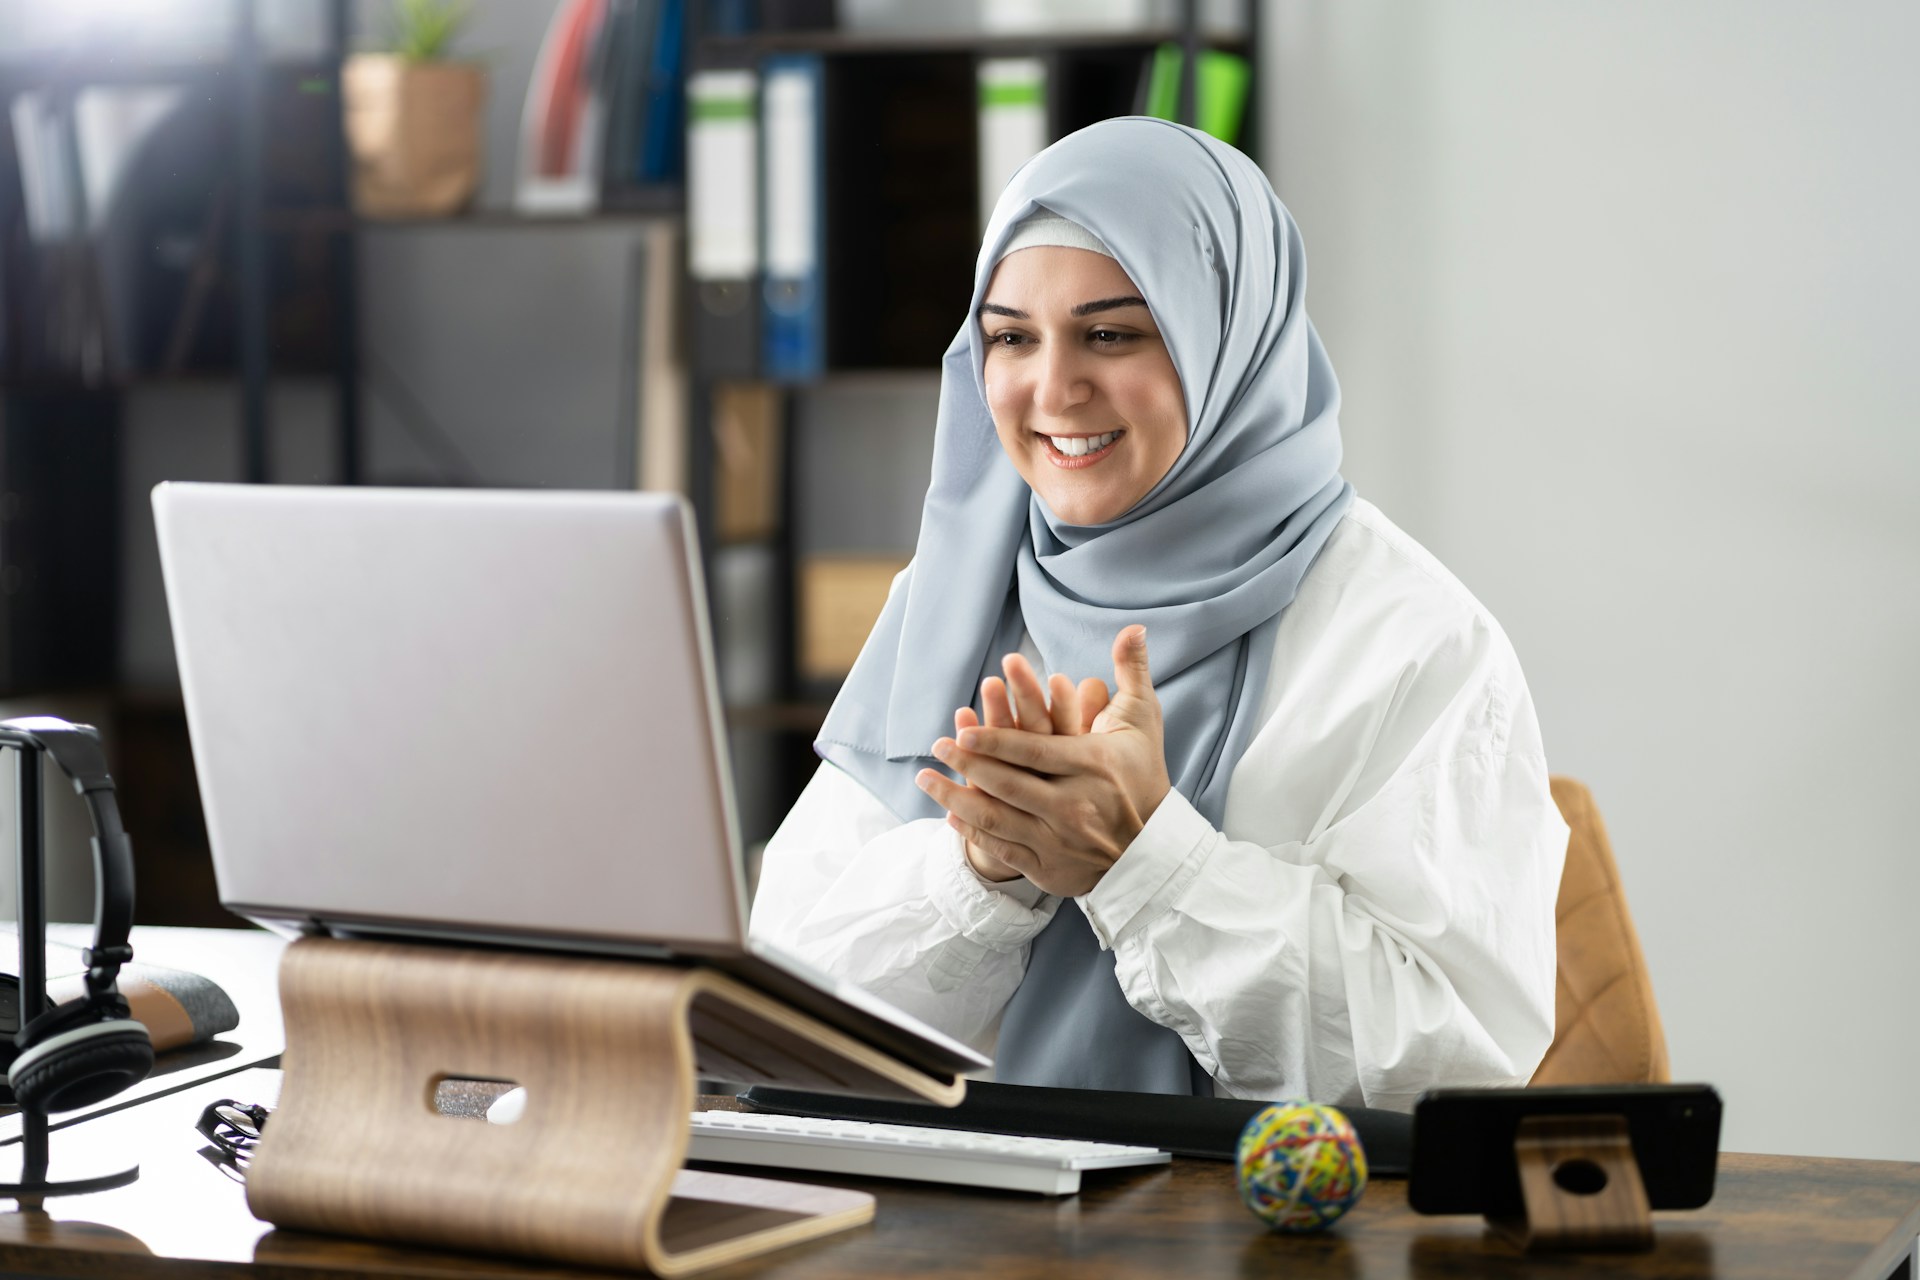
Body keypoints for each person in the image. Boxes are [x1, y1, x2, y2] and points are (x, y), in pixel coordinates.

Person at [748, 117, 1568, 1111]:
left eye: (1112, 332)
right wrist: (985, 870)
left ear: (1232, 338)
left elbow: (1452, 1067)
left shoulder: (1412, 639)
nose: (1053, 388)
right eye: (1012, 336)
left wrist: (1145, 863)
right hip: (959, 1231)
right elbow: (776, 1019)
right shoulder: (950, 597)